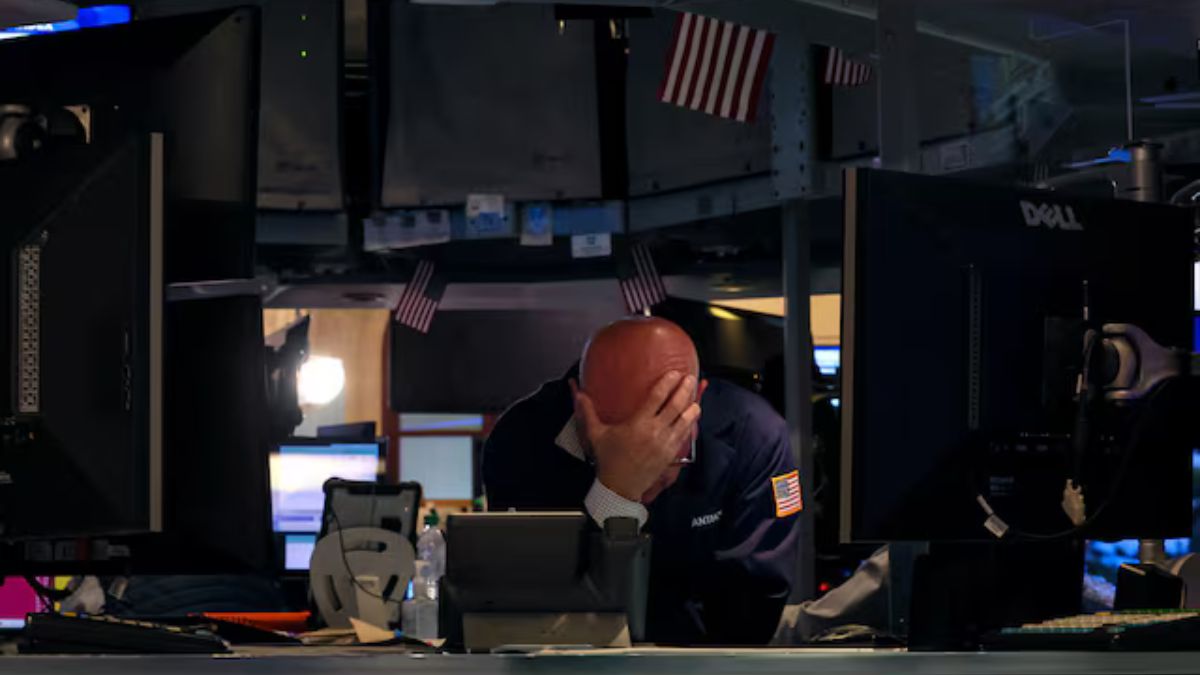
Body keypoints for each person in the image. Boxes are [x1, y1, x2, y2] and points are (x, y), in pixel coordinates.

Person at [483, 317, 801, 645]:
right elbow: (527, 616)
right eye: (621, 439)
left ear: (699, 396)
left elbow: (753, 617)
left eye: (671, 428)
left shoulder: (755, 436)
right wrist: (615, 495)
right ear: (579, 406)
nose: (649, 462)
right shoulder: (522, 440)